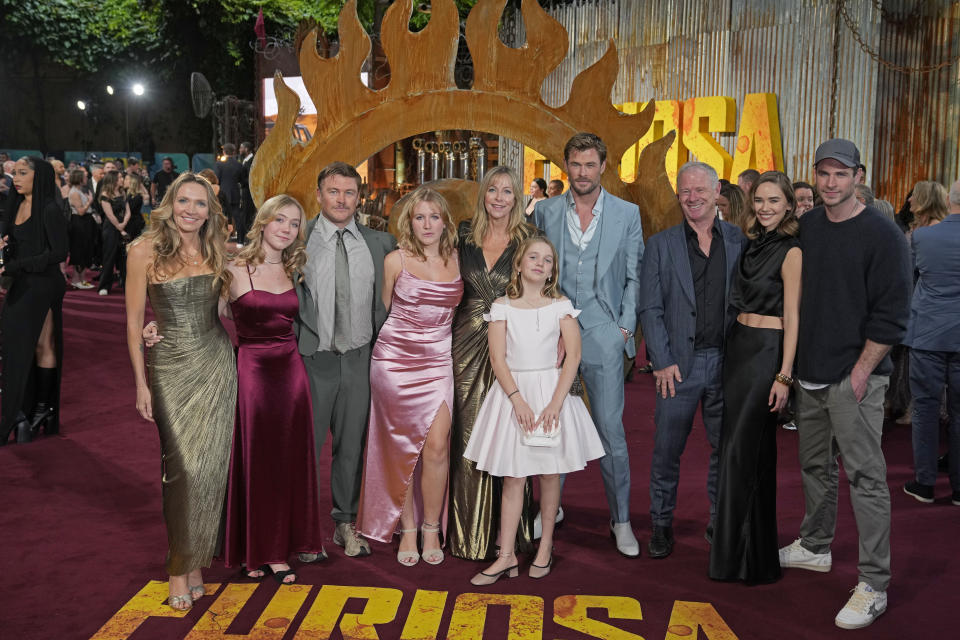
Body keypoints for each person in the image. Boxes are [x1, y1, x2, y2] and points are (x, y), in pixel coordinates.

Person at [778, 139, 910, 630]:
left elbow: (893, 313)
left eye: (840, 174)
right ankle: (815, 545)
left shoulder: (883, 234)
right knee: (815, 466)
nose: (830, 183)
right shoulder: (809, 226)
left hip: (855, 378)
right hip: (809, 375)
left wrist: (861, 372)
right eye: (823, 173)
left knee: (866, 478)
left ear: (858, 176)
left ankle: (874, 583)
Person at [464, 236, 605, 583]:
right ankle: (507, 555)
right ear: (520, 264)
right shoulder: (502, 306)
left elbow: (573, 355)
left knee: (550, 473)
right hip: (514, 398)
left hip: (551, 396)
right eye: (533, 257)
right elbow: (497, 358)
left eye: (547, 260)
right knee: (513, 477)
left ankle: (545, 548)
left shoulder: (561, 306)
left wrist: (556, 402)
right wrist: (517, 400)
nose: (540, 264)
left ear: (552, 270)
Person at [125, 172, 236, 611]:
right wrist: (140, 383)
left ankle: (195, 563)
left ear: (211, 211)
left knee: (211, 470)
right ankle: (177, 567)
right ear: (169, 203)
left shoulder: (217, 250)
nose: (191, 210)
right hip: (170, 367)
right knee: (182, 470)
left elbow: (227, 308)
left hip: (216, 363)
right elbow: (134, 323)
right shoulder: (141, 251)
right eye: (184, 201)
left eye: (201, 204)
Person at [533, 132, 644, 557]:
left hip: (602, 330)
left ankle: (620, 520)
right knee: (551, 423)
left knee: (611, 430)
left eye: (590, 165)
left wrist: (623, 331)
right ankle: (549, 509)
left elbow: (634, 276)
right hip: (553, 332)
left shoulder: (626, 213)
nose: (582, 172)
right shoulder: (544, 211)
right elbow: (533, 267)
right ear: (566, 166)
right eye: (575, 165)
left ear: (603, 166)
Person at [639, 161, 747, 559]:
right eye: (685, 191)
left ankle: (719, 518)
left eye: (700, 190)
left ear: (717, 190)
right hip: (677, 368)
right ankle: (661, 524)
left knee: (725, 450)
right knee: (667, 451)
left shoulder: (738, 241)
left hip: (726, 365)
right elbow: (649, 308)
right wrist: (662, 361)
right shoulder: (661, 245)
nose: (692, 198)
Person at [356, 186, 463, 566]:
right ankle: (409, 528)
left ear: (445, 221)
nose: (427, 224)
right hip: (394, 362)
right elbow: (382, 313)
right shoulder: (394, 260)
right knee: (399, 448)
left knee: (437, 445)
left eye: (434, 216)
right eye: (420, 217)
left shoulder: (457, 258)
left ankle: (432, 526)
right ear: (409, 222)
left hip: (438, 362)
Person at [296, 161, 396, 560]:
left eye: (349, 192)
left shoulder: (380, 243)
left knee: (352, 447)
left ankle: (344, 523)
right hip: (311, 359)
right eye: (333, 191)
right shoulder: (294, 238)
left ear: (360, 197)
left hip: (358, 358)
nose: (341, 199)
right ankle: (301, 530)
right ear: (319, 194)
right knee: (304, 447)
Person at [223, 194, 326, 582]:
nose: (286, 228)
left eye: (294, 223)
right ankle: (256, 549)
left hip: (291, 371)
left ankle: (280, 549)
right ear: (263, 222)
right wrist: (157, 329)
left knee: (286, 460)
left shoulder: (295, 269)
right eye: (279, 220)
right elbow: (203, 317)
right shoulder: (234, 268)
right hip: (252, 369)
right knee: (256, 459)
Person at [709, 171, 801, 584]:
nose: (765, 208)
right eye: (760, 200)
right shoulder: (750, 245)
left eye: (774, 201)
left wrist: (784, 375)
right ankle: (743, 555)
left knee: (742, 454)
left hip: (767, 353)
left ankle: (742, 557)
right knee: (738, 449)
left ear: (788, 206)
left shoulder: (792, 250)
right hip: (738, 348)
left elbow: (794, 317)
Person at [449, 165, 538, 561]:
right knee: (467, 438)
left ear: (517, 198)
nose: (499, 197)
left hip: (513, 348)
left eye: (507, 191)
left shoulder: (529, 239)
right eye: (492, 190)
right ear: (483, 194)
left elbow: (546, 290)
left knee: (511, 440)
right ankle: (470, 535)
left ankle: (509, 535)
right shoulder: (464, 234)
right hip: (464, 347)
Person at [0, 157, 68, 445]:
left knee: (41, 344)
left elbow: (58, 253)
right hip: (24, 281)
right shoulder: (14, 205)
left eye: (22, 173)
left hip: (44, 284)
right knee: (32, 344)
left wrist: (18, 265)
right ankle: (31, 412)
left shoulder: (50, 209)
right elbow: (20, 243)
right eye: (14, 173)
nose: (16, 178)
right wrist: (7, 248)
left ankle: (36, 409)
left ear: (37, 176)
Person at [902, 179, 959, 505]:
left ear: (949, 199)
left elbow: (908, 282)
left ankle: (925, 483)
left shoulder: (923, 237)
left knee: (924, 409)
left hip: (928, 335)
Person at [97, 171, 131, 295]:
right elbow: (109, 215)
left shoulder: (122, 192)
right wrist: (120, 228)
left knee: (124, 257)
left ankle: (127, 284)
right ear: (114, 179)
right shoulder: (105, 194)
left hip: (122, 226)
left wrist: (124, 224)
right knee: (109, 257)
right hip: (111, 229)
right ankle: (104, 286)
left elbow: (128, 211)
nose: (122, 179)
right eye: (120, 177)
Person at [66, 168, 96, 289]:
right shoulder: (74, 193)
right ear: (79, 179)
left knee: (85, 250)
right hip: (79, 223)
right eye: (84, 177)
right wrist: (90, 202)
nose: (86, 179)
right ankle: (76, 280)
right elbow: (81, 211)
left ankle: (82, 279)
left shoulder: (80, 190)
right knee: (79, 250)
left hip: (85, 223)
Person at [215, 143, 243, 244]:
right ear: (234, 152)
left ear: (224, 152)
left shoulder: (219, 164)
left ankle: (221, 240)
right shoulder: (239, 165)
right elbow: (241, 179)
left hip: (222, 194)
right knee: (237, 217)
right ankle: (240, 240)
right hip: (235, 193)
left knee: (222, 216)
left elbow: (217, 179)